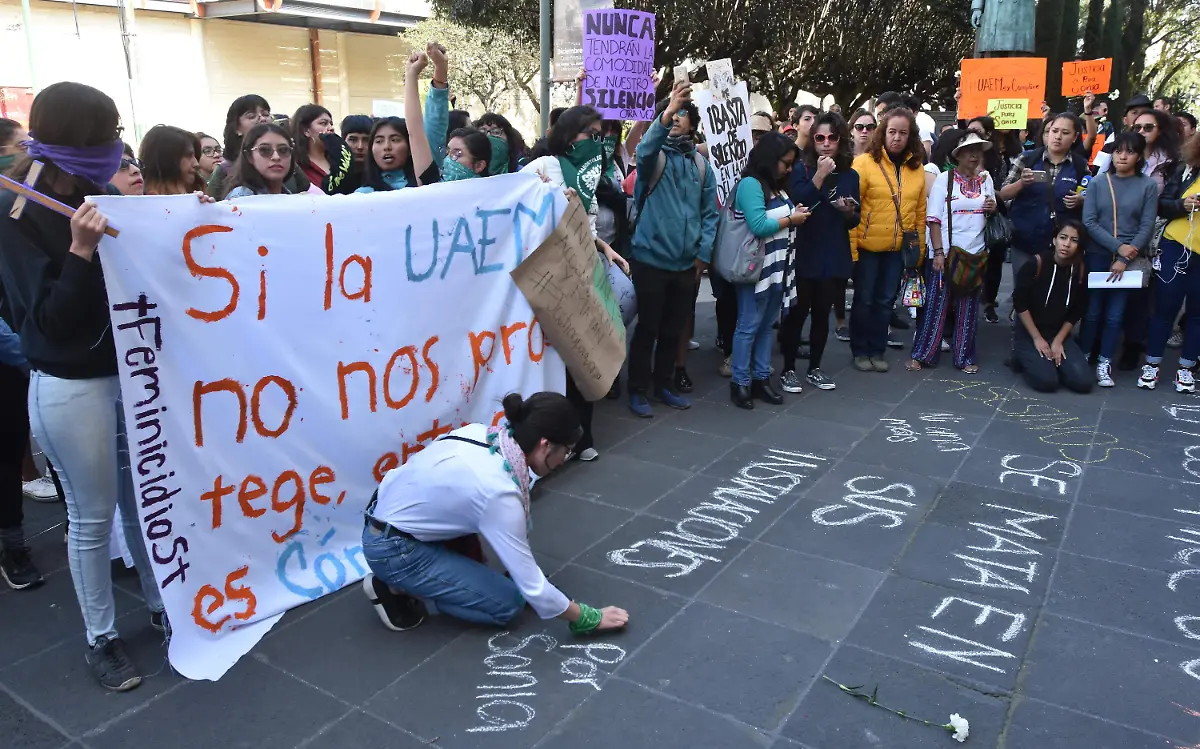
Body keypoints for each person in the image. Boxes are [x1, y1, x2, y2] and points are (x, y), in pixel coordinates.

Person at [0, 82, 172, 691]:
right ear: (78, 139)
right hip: (71, 386)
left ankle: (162, 605)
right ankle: (101, 638)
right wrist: (79, 251)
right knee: (93, 517)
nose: (116, 147)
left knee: (144, 503)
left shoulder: (98, 192)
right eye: (106, 134)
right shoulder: (18, 210)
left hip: (131, 376)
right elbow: (43, 324)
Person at [361, 392, 630, 634]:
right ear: (545, 445)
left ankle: (431, 572)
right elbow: (533, 587)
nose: (563, 461)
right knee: (507, 603)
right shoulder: (498, 491)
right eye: (566, 452)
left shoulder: (486, 435)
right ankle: (397, 587)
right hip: (394, 548)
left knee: (492, 574)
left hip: (389, 518)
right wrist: (586, 617)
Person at [521, 105, 629, 459]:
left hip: (587, 270)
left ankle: (581, 438)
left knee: (586, 354)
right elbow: (524, 214)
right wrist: (556, 205)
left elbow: (587, 224)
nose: (597, 142)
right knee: (562, 358)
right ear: (567, 137)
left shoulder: (588, 175)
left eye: (601, 135)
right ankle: (554, 437)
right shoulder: (544, 168)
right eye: (590, 134)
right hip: (555, 276)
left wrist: (605, 249)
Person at [625, 81, 718, 417]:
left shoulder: (701, 166)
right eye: (671, 114)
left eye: (682, 114)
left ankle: (662, 385)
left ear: (692, 123)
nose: (677, 118)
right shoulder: (654, 157)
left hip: (685, 265)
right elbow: (645, 148)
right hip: (650, 259)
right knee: (647, 328)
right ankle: (636, 390)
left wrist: (702, 255)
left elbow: (710, 214)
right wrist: (663, 113)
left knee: (672, 329)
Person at [908, 133, 998, 373]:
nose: (975, 155)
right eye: (969, 150)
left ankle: (965, 358)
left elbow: (990, 211)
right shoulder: (945, 180)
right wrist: (938, 252)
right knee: (935, 306)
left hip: (976, 254)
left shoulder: (986, 180)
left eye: (978, 150)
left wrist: (992, 207)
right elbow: (934, 219)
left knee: (969, 308)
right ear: (958, 154)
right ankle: (922, 354)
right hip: (946, 253)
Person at [783, 112, 859, 392]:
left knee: (821, 315)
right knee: (797, 313)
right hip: (805, 250)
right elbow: (798, 199)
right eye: (820, 138)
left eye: (832, 138)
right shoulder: (801, 169)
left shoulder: (850, 174)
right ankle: (788, 368)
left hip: (833, 252)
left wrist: (849, 210)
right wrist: (819, 175)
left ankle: (815, 367)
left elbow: (855, 220)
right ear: (812, 140)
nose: (826, 144)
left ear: (840, 141)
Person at [729, 132, 805, 408]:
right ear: (771, 160)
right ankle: (740, 382)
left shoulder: (777, 187)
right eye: (785, 163)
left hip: (775, 269)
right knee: (748, 326)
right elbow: (759, 225)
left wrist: (793, 213)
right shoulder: (750, 185)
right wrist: (791, 218)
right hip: (755, 270)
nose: (788, 168)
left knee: (764, 328)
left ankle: (760, 379)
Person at [1079, 132, 1159, 387]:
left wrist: (1126, 255)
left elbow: (1147, 225)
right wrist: (1118, 247)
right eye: (1118, 151)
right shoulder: (1099, 182)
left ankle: (1105, 361)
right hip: (1098, 253)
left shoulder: (1147, 185)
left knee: (1115, 314)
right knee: (1092, 311)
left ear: (1139, 156)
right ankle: (1083, 357)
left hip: (1129, 260)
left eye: (1130, 152)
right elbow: (1089, 221)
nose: (1123, 156)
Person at [850, 106, 927, 372]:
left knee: (885, 301)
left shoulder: (916, 168)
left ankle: (877, 349)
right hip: (868, 246)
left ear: (911, 136)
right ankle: (860, 350)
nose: (896, 137)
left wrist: (919, 249)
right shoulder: (862, 164)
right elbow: (851, 211)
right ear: (882, 133)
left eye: (903, 133)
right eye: (892, 131)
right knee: (865, 299)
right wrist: (853, 252)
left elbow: (919, 212)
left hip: (897, 249)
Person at [1141, 132, 1200, 393]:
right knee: (1165, 307)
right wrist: (1182, 204)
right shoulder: (1186, 170)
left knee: (1198, 313)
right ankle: (1152, 365)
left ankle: (1186, 369)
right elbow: (1162, 205)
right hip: (1176, 246)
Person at [1000, 113, 1089, 279]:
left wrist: (1081, 200)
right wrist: (1021, 184)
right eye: (1054, 131)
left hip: (1060, 244)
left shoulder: (1080, 166)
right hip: (1024, 240)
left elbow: (1089, 198)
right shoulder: (1027, 159)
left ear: (1075, 137)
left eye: (1065, 132)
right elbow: (1002, 195)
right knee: (1022, 288)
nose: (1058, 136)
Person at [1012, 219, 1093, 392]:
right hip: (1030, 332)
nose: (1067, 244)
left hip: (1057, 332)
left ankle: (1053, 363)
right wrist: (1036, 338)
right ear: (1055, 240)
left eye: (1074, 240)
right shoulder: (1036, 263)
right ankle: (1022, 357)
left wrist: (1058, 340)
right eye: (1063, 238)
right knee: (1047, 382)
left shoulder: (1080, 270)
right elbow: (1020, 303)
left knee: (1083, 383)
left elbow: (1079, 309)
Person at [206, 93, 272, 198]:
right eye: (251, 116)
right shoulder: (224, 170)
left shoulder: (286, 161)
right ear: (237, 128)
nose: (262, 119)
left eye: (266, 114)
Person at [223, 123, 303, 198]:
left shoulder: (290, 197)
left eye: (283, 150)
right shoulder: (242, 196)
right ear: (249, 156)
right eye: (265, 150)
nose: (276, 157)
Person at [291, 104, 357, 195]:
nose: (330, 128)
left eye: (331, 124)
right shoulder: (295, 165)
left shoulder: (337, 158)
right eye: (323, 123)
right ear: (306, 130)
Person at [138, 125, 205, 196]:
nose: (196, 164)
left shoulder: (198, 198)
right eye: (188, 155)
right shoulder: (141, 204)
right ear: (165, 159)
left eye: (195, 157)